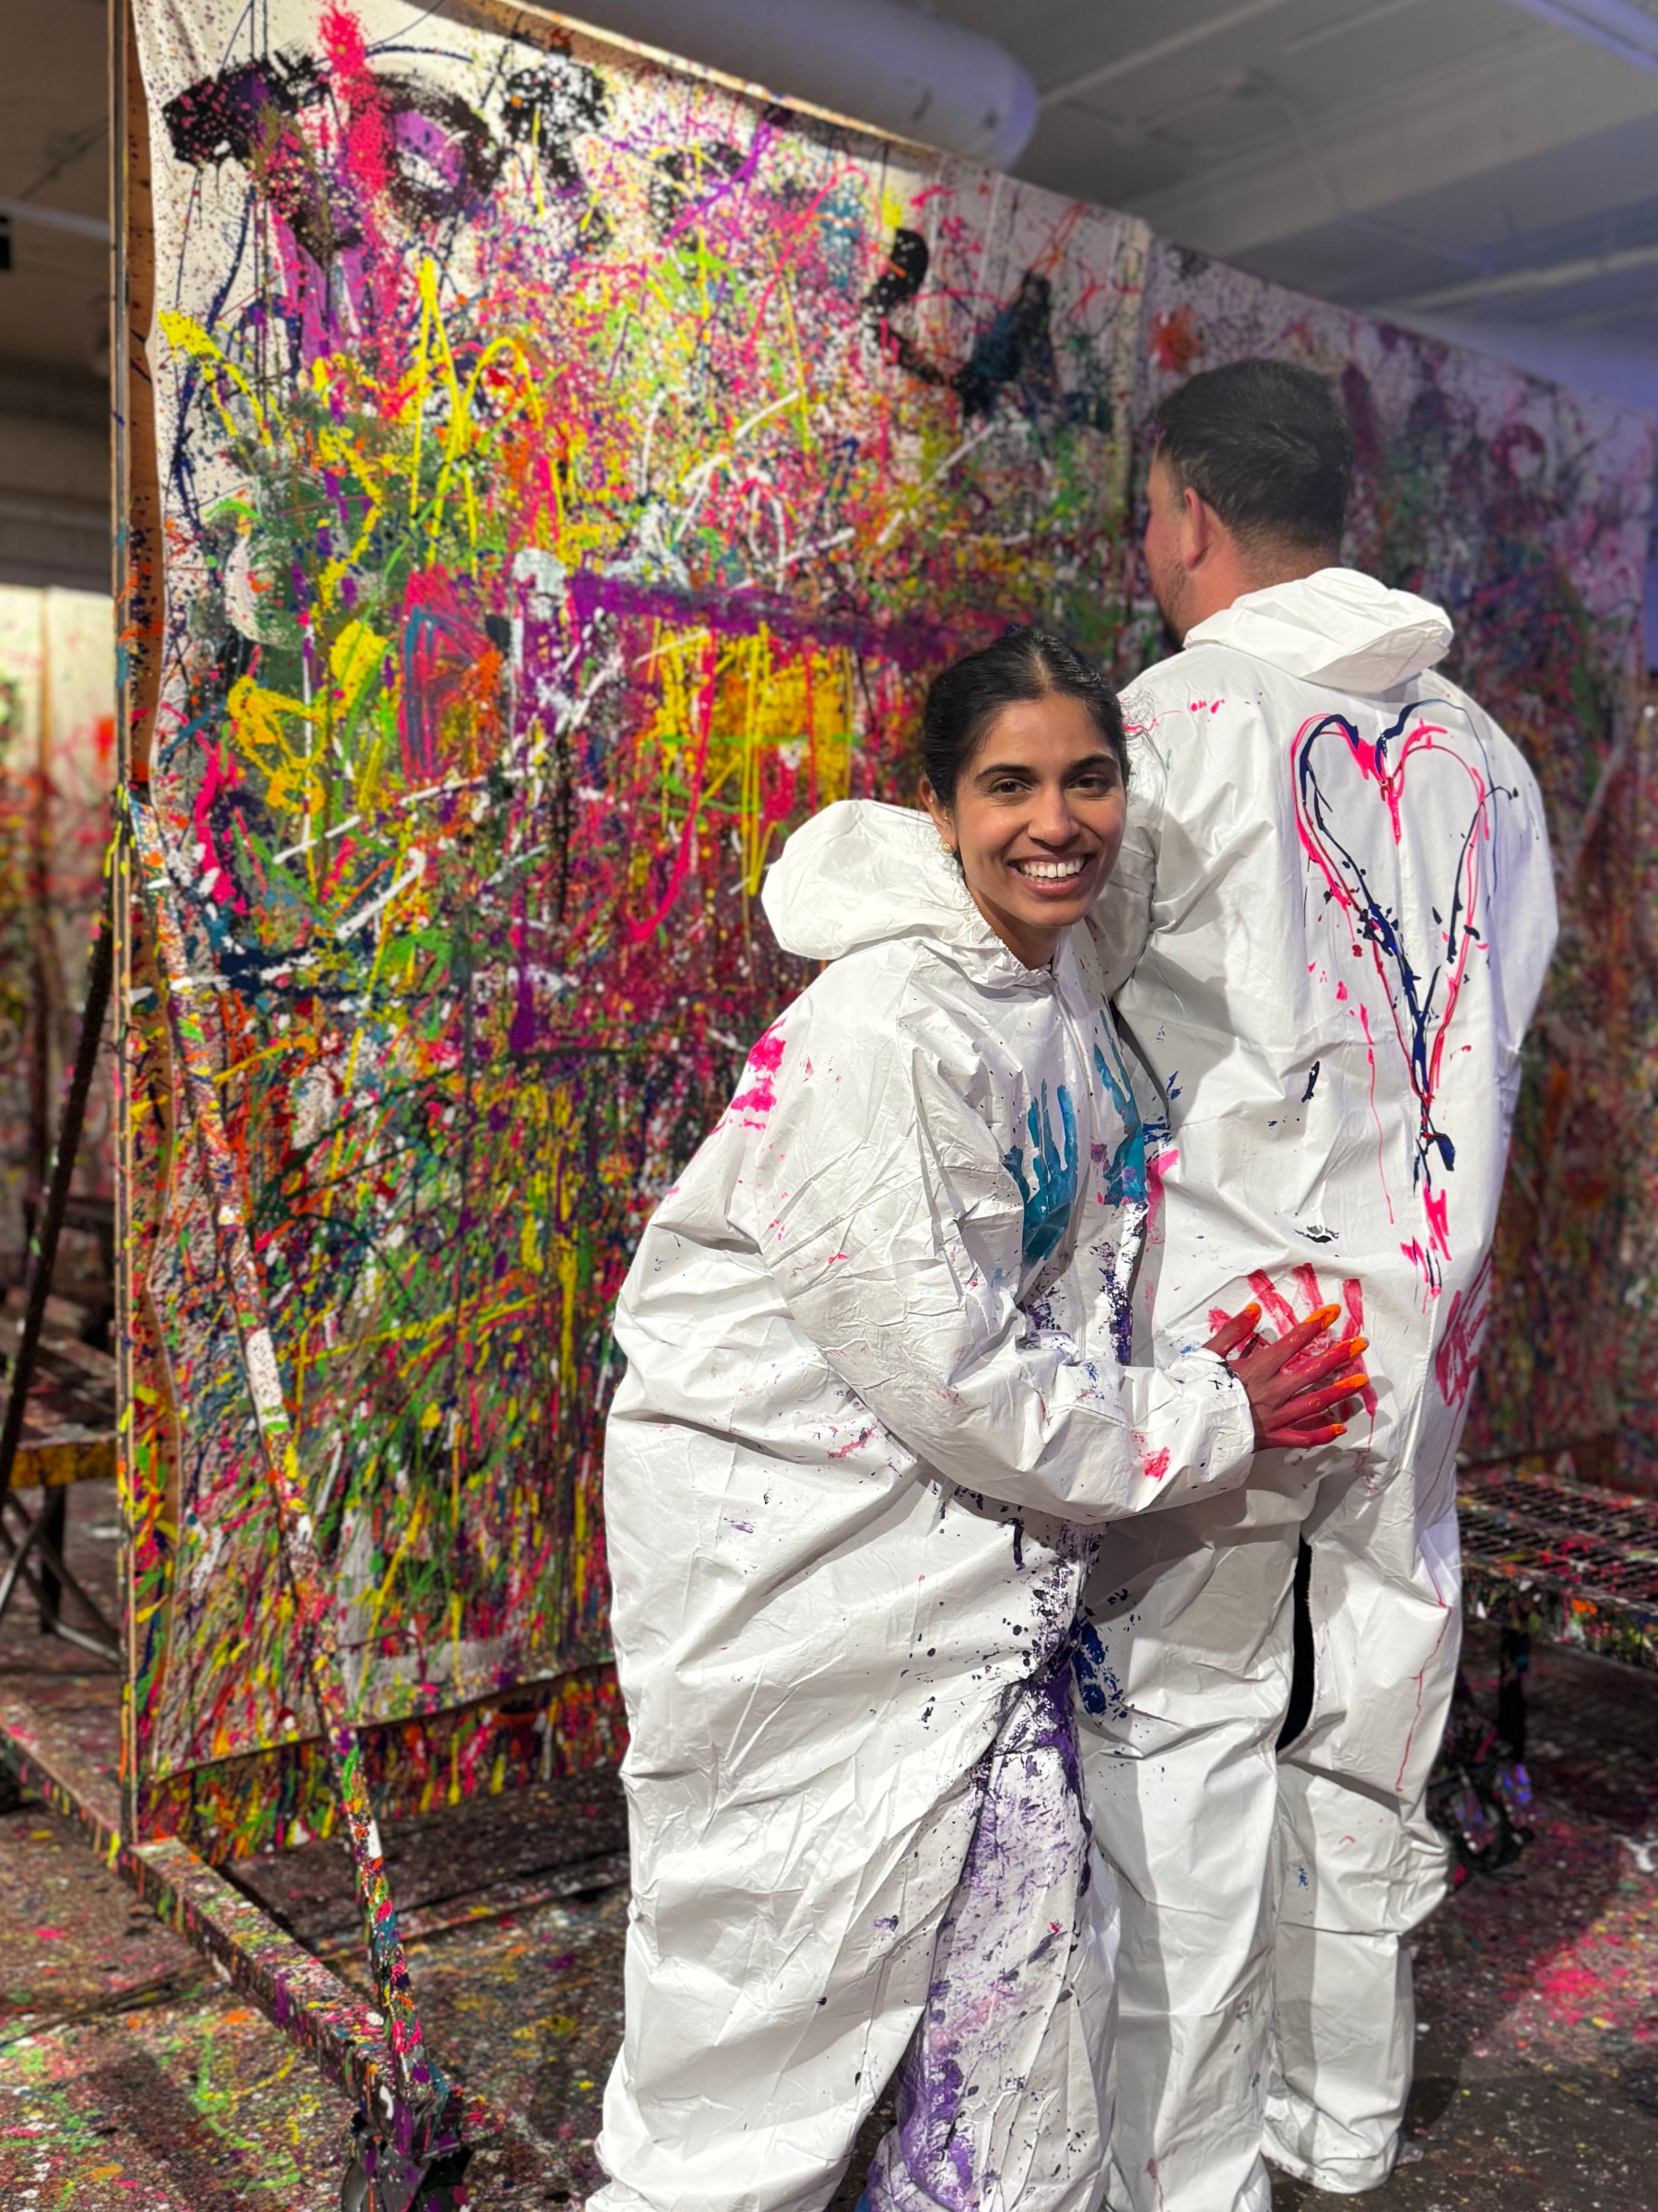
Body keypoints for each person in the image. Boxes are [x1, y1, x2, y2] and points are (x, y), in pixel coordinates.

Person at [591, 628, 1371, 2212]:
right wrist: (1213, 1415)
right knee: (766, 2037)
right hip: (799, 1583)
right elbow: (951, 1377)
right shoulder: (883, 1027)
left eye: (1090, 779)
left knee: (1005, 2021)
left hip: (950, 1582)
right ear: (939, 808)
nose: (1057, 823)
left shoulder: (1044, 973)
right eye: (1009, 786)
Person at [1078, 359, 1560, 2206]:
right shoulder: (1485, 756)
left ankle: (1180, 2160)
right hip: (1419, 1324)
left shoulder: (1170, 722)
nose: (1148, 546)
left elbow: (1076, 1015)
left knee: (1180, 1737)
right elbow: (1497, 1024)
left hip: (1230, 1340)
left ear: (1192, 513)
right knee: (1374, 1724)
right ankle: (1343, 2122)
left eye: (1149, 515)